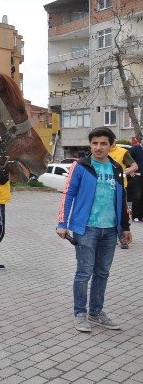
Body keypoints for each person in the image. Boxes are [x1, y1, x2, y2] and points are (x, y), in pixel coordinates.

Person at [56, 126, 131, 333]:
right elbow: (68, 194)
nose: (98, 147)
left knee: (102, 273)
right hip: (86, 228)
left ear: (111, 145)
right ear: (90, 145)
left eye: (103, 143)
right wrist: (63, 223)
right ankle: (80, 314)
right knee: (84, 273)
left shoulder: (116, 168)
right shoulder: (81, 166)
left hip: (109, 230)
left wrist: (125, 227)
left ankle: (96, 313)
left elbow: (122, 199)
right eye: (95, 143)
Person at [128, 139, 143, 222]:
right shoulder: (135, 149)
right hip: (137, 176)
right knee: (137, 196)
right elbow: (128, 160)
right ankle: (135, 216)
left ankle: (141, 215)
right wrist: (131, 171)